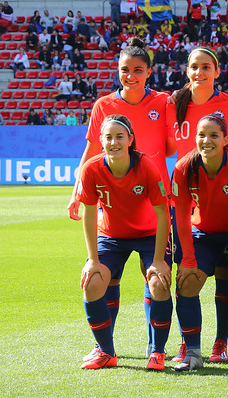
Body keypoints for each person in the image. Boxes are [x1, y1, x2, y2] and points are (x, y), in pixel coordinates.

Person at [68, 37, 175, 362]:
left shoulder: (163, 101)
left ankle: (156, 348)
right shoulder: (103, 105)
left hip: (154, 202)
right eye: (125, 70)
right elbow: (91, 149)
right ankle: (105, 347)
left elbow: (172, 146)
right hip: (115, 208)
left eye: (138, 70)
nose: (131, 76)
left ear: (149, 72)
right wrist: (76, 189)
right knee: (104, 277)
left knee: (155, 277)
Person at [168, 47, 228, 364]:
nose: (199, 72)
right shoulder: (173, 102)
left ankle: (221, 343)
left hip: (227, 199)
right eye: (194, 67)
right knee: (184, 274)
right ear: (187, 70)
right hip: (191, 201)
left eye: (206, 66)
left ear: (217, 71)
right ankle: (187, 344)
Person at [77, 114, 173, 370]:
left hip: (149, 235)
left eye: (119, 137)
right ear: (101, 140)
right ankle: (106, 352)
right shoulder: (91, 168)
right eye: (108, 137)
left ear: (130, 139)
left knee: (159, 283)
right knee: (92, 283)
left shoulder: (146, 167)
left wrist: (159, 260)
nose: (114, 142)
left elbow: (163, 214)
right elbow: (89, 213)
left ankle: (157, 352)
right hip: (111, 236)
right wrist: (92, 260)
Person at [171, 113, 228, 371]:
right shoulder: (184, 168)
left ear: (226, 140)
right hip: (204, 234)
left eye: (213, 136)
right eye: (201, 135)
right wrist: (187, 259)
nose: (206, 140)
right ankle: (192, 352)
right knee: (187, 280)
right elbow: (181, 215)